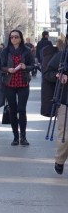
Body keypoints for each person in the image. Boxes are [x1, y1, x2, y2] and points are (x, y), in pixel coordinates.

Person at [0, 29, 35, 146]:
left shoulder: (27, 51)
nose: (14, 39)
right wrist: (8, 69)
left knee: (21, 109)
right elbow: (1, 66)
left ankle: (23, 137)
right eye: (12, 37)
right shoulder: (5, 51)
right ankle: (15, 137)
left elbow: (33, 65)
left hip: (23, 82)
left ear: (20, 38)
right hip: (10, 83)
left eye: (16, 37)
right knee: (12, 110)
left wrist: (26, 67)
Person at [43, 44, 68, 175]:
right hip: (65, 101)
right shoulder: (63, 55)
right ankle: (60, 160)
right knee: (65, 134)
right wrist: (59, 75)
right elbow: (48, 73)